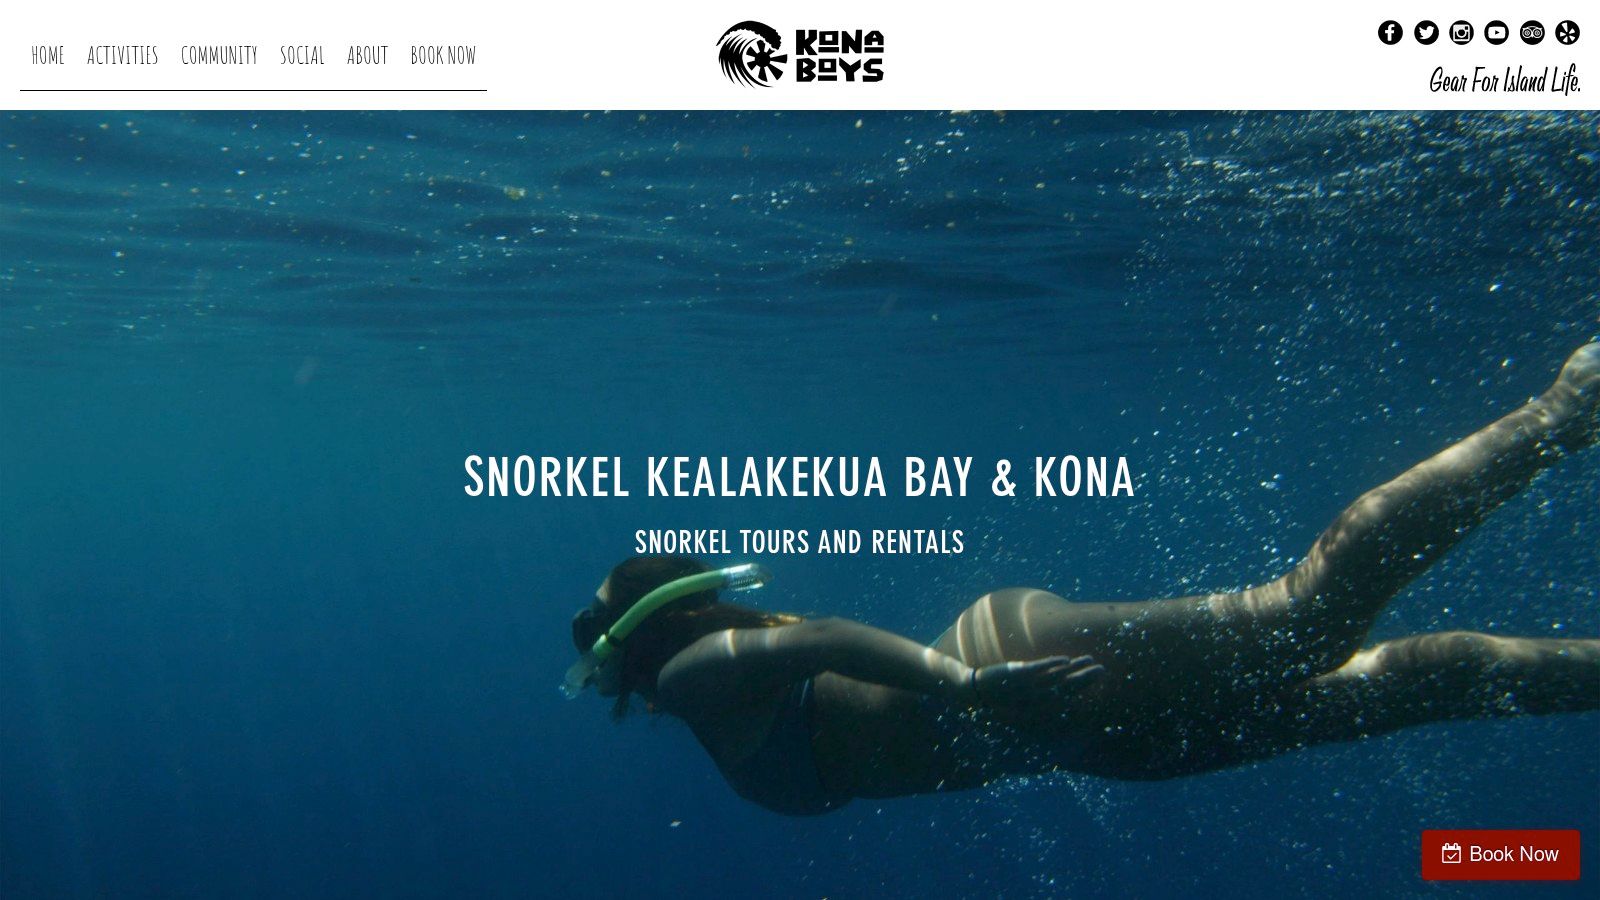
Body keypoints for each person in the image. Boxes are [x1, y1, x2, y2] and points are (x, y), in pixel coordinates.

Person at [566, 343, 1600, 815]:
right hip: (1078, 738)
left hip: (1012, 669)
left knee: (1305, 619)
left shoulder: (694, 679)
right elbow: (807, 648)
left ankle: (1562, 412)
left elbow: (823, 638)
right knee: (1406, 687)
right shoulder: (708, 693)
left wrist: (967, 688)